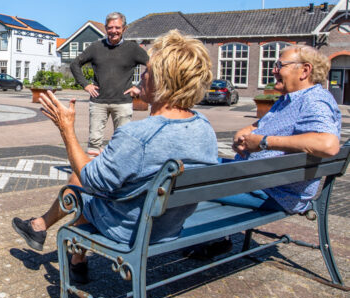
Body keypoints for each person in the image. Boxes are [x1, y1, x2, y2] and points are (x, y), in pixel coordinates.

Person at [13, 30, 218, 283]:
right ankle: (60, 245)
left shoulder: (139, 135)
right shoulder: (204, 126)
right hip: (169, 226)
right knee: (90, 179)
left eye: (148, 71)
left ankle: (47, 232)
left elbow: (91, 180)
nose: (141, 74)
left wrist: (66, 129)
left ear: (162, 81)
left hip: (130, 229)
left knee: (79, 183)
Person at [189, 45, 342, 259]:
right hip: (258, 180)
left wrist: (263, 143)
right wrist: (245, 133)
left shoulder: (314, 100)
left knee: (186, 177)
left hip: (273, 192)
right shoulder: (288, 99)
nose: (273, 70)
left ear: (304, 71)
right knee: (195, 164)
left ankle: (199, 238)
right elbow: (259, 126)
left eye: (280, 65)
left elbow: (328, 144)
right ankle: (215, 238)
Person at [70, 12, 149, 156]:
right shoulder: (95, 47)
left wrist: (139, 87)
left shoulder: (132, 49)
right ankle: (93, 174)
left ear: (124, 29)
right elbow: (75, 64)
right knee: (94, 142)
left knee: (123, 141)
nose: (114, 31)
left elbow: (153, 67)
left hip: (123, 103)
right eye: (110, 28)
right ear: (106, 28)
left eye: (117, 28)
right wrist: (86, 85)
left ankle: (119, 174)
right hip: (99, 102)